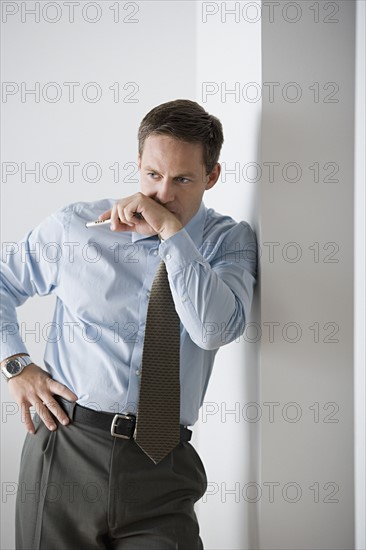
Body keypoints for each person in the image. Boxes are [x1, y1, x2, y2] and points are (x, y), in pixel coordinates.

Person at [0, 99, 257, 549]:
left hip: (163, 466)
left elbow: (214, 329)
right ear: (138, 163)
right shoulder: (77, 229)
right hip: (67, 447)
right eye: (153, 175)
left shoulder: (227, 242)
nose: (162, 194)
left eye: (182, 179)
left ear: (211, 177)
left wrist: (172, 236)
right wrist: (15, 364)